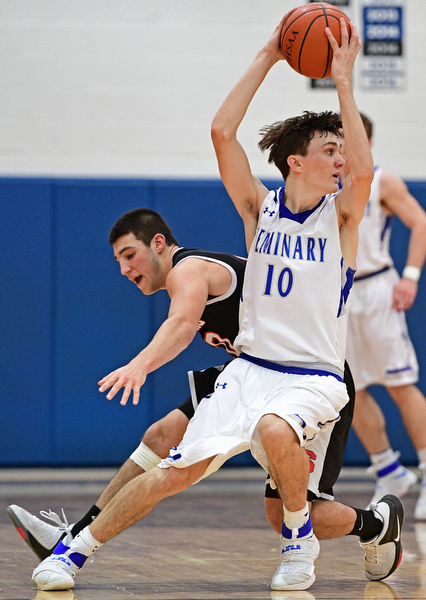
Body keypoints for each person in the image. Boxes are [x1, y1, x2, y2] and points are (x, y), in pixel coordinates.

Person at [30, 16, 391, 593]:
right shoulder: (261, 209)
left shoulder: (341, 219)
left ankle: (298, 545)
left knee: (276, 431)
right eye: (329, 150)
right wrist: (269, 54)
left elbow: (366, 170)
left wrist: (343, 82)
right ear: (296, 162)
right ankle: (75, 552)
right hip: (251, 370)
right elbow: (223, 133)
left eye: (342, 150)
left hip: (313, 377)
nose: (341, 159)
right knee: (175, 469)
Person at [9, 209, 392, 575]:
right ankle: (74, 538)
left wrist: (139, 365)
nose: (125, 269)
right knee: (159, 436)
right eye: (118, 262)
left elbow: (181, 324)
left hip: (307, 377)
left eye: (130, 255)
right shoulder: (191, 272)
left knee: (284, 516)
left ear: (158, 243)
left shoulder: (188, 268)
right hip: (252, 373)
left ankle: (376, 525)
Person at [343, 113, 426, 517]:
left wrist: (410, 276)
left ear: (366, 141)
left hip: (377, 289)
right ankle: (388, 469)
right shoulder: (325, 186)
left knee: (399, 382)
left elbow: (421, 222)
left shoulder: (382, 180)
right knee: (348, 389)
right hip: (339, 295)